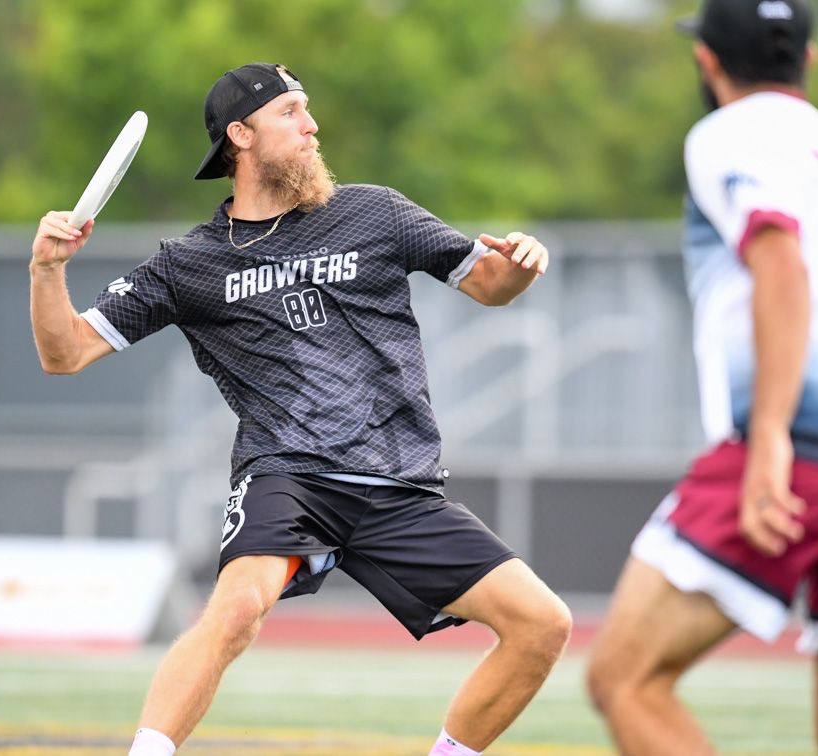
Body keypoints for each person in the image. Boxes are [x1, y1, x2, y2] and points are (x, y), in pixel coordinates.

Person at [30, 62, 571, 756]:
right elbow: (66, 352)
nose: (312, 126)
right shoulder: (188, 263)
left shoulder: (377, 212)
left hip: (398, 484)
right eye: (290, 112)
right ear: (240, 135)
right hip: (288, 476)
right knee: (235, 610)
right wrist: (47, 270)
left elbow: (491, 284)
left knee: (543, 624)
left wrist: (519, 265)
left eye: (307, 109)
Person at [587, 1, 818, 752]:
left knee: (624, 679)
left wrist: (771, 434)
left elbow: (779, 258)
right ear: (807, 60)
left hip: (798, 447)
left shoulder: (729, 133)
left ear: (707, 60)